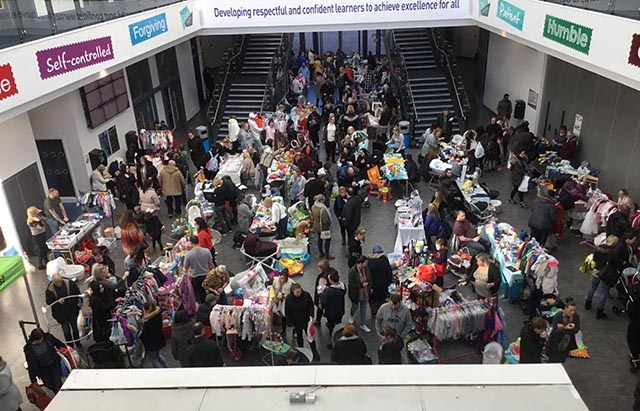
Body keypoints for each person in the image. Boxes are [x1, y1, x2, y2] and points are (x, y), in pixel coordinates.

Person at [585, 235, 621, 319]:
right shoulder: (613, 253)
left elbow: (594, 259)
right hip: (607, 273)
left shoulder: (598, 249)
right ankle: (599, 311)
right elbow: (616, 264)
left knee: (592, 287)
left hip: (597, 270)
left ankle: (588, 303)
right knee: (604, 292)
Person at [45, 272, 82, 348]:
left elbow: (77, 293)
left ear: (61, 278)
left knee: (75, 328)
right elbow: (48, 302)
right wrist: (57, 301)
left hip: (72, 310)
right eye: (56, 282)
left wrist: (79, 304)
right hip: (61, 314)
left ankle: (78, 343)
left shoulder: (70, 283)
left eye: (59, 281)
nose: (58, 284)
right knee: (66, 331)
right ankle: (70, 346)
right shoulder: (50, 289)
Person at [23, 328, 65, 394]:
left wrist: (63, 349)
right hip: (42, 370)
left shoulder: (48, 337)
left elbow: (58, 343)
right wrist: (33, 381)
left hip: (53, 365)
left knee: (57, 385)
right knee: (49, 385)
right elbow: (31, 364)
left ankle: (60, 395)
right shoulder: (28, 349)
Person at [285, 283, 320, 361]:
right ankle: (301, 352)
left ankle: (315, 352)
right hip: (296, 322)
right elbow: (287, 311)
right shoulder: (289, 298)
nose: (299, 293)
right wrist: (289, 322)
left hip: (306, 321)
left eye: (299, 291)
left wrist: (311, 315)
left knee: (310, 337)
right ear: (293, 291)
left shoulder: (306, 295)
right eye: (297, 292)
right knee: (299, 337)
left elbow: (311, 306)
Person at [547, 298, 580, 363]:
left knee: (562, 359)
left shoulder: (576, 316)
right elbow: (555, 331)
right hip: (556, 343)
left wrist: (564, 328)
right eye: (571, 310)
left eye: (574, 310)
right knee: (553, 360)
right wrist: (565, 328)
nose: (572, 312)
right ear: (565, 308)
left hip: (567, 342)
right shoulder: (558, 316)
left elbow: (577, 329)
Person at [184, 235, 214, 304]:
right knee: (209, 291)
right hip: (206, 275)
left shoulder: (188, 255)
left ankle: (204, 306)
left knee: (200, 294)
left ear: (191, 243)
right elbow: (210, 264)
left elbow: (185, 267)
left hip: (196, 277)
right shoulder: (206, 251)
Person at [321, 270, 346, 348]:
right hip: (340, 310)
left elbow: (325, 302)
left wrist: (321, 293)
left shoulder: (329, 291)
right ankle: (340, 339)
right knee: (339, 325)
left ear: (331, 280)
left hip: (331, 312)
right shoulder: (343, 286)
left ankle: (333, 343)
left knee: (332, 328)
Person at [139, 301, 168, 368]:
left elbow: (144, 334)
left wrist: (135, 330)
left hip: (151, 343)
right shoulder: (157, 315)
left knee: (154, 359)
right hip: (158, 339)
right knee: (158, 355)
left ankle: (159, 373)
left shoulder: (148, 321)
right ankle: (167, 368)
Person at [348, 255, 372, 332]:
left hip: (365, 292)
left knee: (363, 308)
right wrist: (361, 285)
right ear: (360, 264)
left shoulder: (366, 269)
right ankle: (352, 315)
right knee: (355, 307)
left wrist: (370, 287)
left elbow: (370, 278)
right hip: (356, 293)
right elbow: (351, 284)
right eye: (365, 263)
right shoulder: (352, 271)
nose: (367, 264)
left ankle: (363, 323)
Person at [368, 245, 393, 317]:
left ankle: (373, 312)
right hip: (383, 283)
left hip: (372, 284)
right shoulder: (384, 260)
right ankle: (381, 312)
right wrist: (389, 281)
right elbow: (389, 271)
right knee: (381, 298)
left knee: (373, 299)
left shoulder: (369, 261)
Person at [272, 268, 296, 336]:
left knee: (291, 316)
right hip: (279, 302)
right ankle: (283, 330)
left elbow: (294, 293)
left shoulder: (291, 283)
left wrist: (285, 296)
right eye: (281, 278)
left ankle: (295, 330)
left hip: (288, 302)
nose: (282, 280)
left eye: (284, 279)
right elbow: (271, 287)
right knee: (283, 317)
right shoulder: (275, 280)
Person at [311, 194, 334, 259]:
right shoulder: (322, 209)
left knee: (320, 239)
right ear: (321, 200)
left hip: (316, 226)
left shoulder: (313, 206)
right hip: (323, 227)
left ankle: (321, 252)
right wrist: (329, 226)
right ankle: (327, 254)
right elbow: (325, 220)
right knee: (328, 239)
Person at [313, 260, 331, 324]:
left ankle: (318, 320)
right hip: (329, 295)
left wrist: (319, 302)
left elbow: (320, 291)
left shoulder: (322, 278)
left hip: (323, 297)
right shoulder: (330, 272)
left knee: (320, 309)